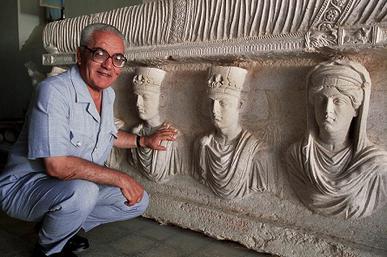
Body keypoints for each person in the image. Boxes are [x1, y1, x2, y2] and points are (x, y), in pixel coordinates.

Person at [0, 23, 177, 257]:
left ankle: (62, 228)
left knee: (137, 200)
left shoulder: (107, 93)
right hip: (24, 187)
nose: (108, 65)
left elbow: (107, 134)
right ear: (80, 55)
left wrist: (144, 141)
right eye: (100, 53)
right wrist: (120, 177)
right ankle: (48, 250)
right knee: (83, 192)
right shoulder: (53, 91)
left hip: (67, 188)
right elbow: (58, 166)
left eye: (117, 58)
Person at [286, 59, 387, 219]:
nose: (327, 110)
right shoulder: (297, 156)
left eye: (338, 101)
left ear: (356, 109)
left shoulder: (376, 165)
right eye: (321, 100)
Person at [193, 66, 268, 200]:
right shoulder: (201, 145)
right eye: (211, 103)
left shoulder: (257, 154)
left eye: (223, 103)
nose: (214, 110)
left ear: (240, 105)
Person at [129, 67, 183, 183]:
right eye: (136, 97)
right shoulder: (136, 133)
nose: (138, 104)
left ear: (162, 99)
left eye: (145, 97)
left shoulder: (173, 137)